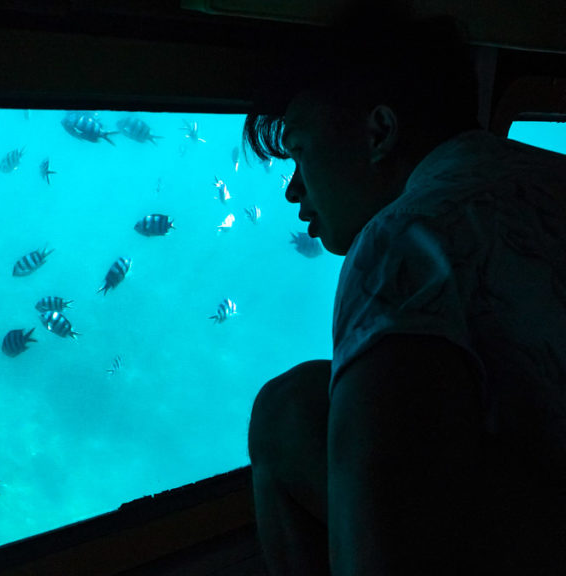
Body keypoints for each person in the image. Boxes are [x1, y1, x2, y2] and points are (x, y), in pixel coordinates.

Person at [242, 7, 566, 576]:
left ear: (380, 133)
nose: (294, 192)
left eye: (297, 151)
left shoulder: (405, 241)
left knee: (290, 410)